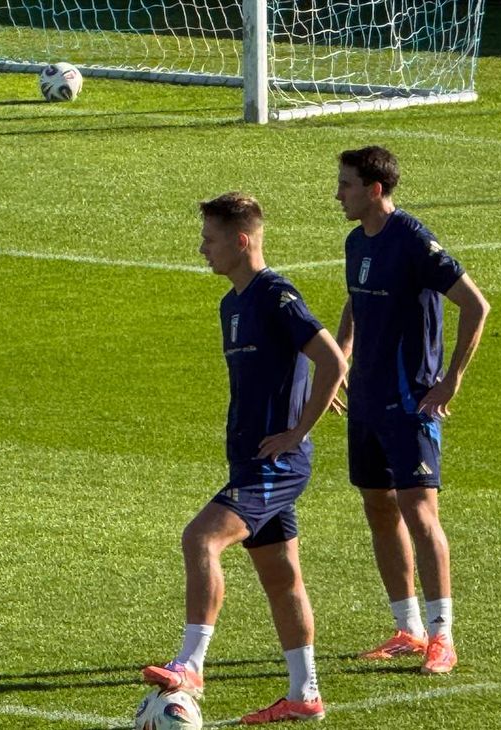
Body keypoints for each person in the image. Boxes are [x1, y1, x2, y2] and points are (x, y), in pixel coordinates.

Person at [142, 193, 348, 724]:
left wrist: (300, 429)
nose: (201, 249)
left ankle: (190, 664)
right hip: (249, 461)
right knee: (282, 578)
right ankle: (305, 694)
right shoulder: (231, 303)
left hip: (275, 463)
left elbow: (330, 358)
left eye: (210, 240)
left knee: (201, 538)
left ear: (240, 240)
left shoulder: (275, 295)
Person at [334, 146, 490, 675]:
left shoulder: (414, 241)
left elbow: (475, 304)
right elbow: (356, 298)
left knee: (420, 512)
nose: (339, 194)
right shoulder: (357, 240)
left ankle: (443, 636)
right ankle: (408, 629)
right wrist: (340, 358)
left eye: (347, 185)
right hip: (366, 401)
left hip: (409, 401)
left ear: (375, 189)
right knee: (378, 506)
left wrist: (452, 378)